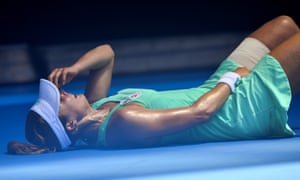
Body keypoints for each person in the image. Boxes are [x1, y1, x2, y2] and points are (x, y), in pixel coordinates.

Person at [7, 15, 300, 155]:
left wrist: (75, 67)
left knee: (284, 25)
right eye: (61, 99)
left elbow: (106, 54)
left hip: (215, 88)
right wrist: (235, 77)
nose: (64, 91)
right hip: (238, 108)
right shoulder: (122, 122)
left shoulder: (96, 107)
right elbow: (200, 114)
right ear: (70, 126)